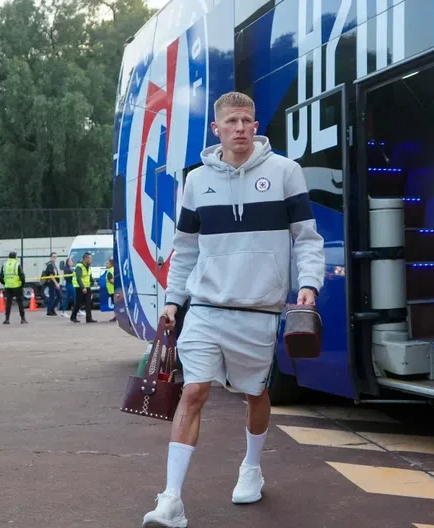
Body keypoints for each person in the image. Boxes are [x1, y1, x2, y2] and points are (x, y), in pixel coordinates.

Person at [141, 91, 325, 528]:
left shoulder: (285, 172)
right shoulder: (196, 180)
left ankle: (251, 467)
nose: (240, 128)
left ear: (256, 126)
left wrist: (309, 285)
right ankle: (171, 500)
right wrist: (173, 301)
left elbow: (306, 238)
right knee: (193, 392)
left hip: (259, 310)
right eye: (232, 122)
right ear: (217, 129)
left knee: (255, 394)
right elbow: (185, 249)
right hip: (206, 307)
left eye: (247, 121)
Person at [0, 251, 27, 324]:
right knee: (20, 302)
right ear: (15, 257)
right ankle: (23, 319)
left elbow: (0, 277)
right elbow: (22, 276)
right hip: (17, 286)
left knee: (8, 303)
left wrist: (5, 283)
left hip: (8, 286)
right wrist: (22, 285)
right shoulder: (17, 264)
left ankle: (7, 319)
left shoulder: (5, 264)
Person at [70, 252, 96, 323]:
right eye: (89, 258)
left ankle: (89, 318)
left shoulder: (88, 267)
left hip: (87, 287)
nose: (91, 260)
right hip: (79, 287)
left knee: (88, 303)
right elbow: (78, 278)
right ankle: (73, 317)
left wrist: (94, 281)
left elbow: (89, 276)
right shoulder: (79, 266)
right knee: (78, 303)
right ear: (85, 259)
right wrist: (82, 287)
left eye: (91, 258)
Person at [43, 252, 61, 316]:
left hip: (55, 282)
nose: (55, 258)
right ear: (50, 257)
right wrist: (56, 283)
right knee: (52, 297)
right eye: (53, 256)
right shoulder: (50, 265)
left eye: (56, 257)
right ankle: (49, 311)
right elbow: (51, 275)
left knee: (59, 296)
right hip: (51, 283)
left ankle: (52, 308)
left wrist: (57, 283)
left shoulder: (54, 265)